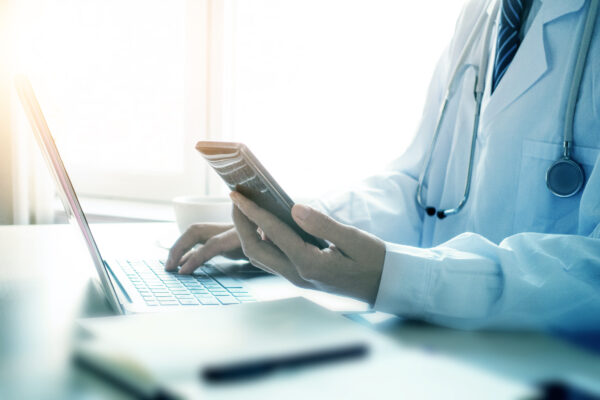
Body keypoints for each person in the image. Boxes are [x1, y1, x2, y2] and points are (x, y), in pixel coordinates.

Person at [165, 0, 600, 333]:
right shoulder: (486, 13)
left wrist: (397, 277)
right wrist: (303, 226)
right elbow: (420, 188)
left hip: (555, 362)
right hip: (446, 347)